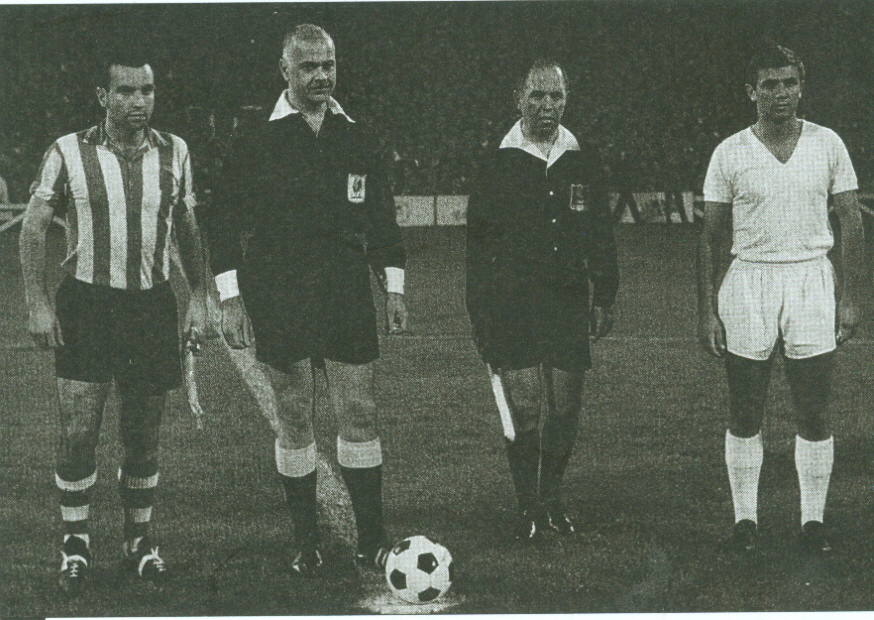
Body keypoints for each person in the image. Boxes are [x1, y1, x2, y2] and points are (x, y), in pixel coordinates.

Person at [209, 24, 407, 576]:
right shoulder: (255, 139)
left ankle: (372, 537)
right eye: (308, 67)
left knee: (359, 410)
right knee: (294, 414)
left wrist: (393, 286)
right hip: (278, 291)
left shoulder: (358, 136)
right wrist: (230, 298)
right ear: (285, 71)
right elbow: (222, 222)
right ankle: (306, 541)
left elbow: (383, 221)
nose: (321, 76)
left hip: (345, 291)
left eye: (328, 65)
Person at [19, 50, 208, 592]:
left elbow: (188, 227)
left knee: (143, 434)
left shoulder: (176, 151)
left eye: (146, 91)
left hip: (151, 307)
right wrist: (37, 300)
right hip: (88, 305)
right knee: (79, 431)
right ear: (103, 97)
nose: (138, 103)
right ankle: (75, 544)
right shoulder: (67, 152)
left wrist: (200, 296)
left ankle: (139, 541)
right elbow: (33, 228)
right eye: (125, 92)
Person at [697, 42, 864, 554]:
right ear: (752, 92)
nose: (780, 93)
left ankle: (811, 522)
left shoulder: (828, 143)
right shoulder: (730, 151)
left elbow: (852, 222)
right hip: (749, 280)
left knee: (813, 410)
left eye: (789, 82)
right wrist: (706, 310)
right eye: (769, 84)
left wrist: (851, 296)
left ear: (801, 85)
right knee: (745, 408)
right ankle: (744, 521)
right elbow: (709, 237)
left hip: (812, 280)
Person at [465, 59, 619, 542]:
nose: (547, 106)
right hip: (511, 302)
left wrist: (604, 292)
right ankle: (528, 506)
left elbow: (599, 232)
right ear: (519, 98)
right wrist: (481, 316)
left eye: (556, 96)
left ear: (566, 100)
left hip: (568, 299)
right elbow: (478, 247)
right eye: (538, 96)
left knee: (566, 409)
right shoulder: (497, 161)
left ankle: (552, 497)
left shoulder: (582, 157)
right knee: (526, 411)